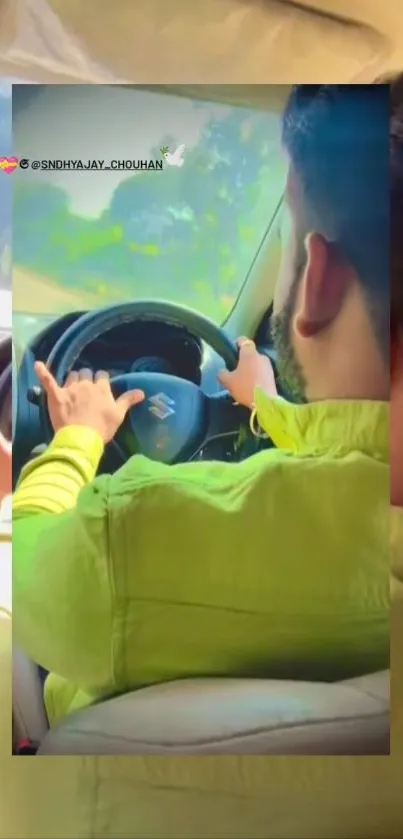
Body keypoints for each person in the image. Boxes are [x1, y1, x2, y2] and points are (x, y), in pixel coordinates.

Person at [13, 85, 390, 727]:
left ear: (318, 279)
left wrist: (76, 440)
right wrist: (269, 405)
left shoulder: (130, 538)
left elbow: (27, 575)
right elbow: (353, 454)